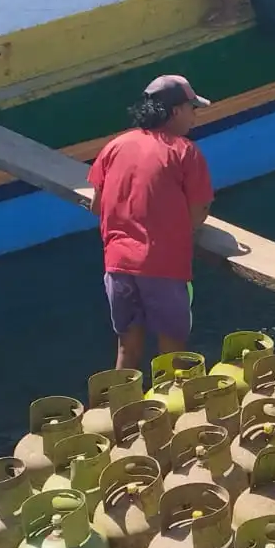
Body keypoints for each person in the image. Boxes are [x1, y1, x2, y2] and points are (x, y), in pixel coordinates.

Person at [87, 75, 214, 372]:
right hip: (164, 267)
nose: (195, 114)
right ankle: (173, 417)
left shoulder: (115, 145)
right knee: (173, 357)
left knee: (127, 350)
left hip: (117, 266)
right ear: (174, 112)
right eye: (191, 107)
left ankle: (118, 413)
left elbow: (96, 205)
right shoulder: (185, 152)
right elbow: (198, 213)